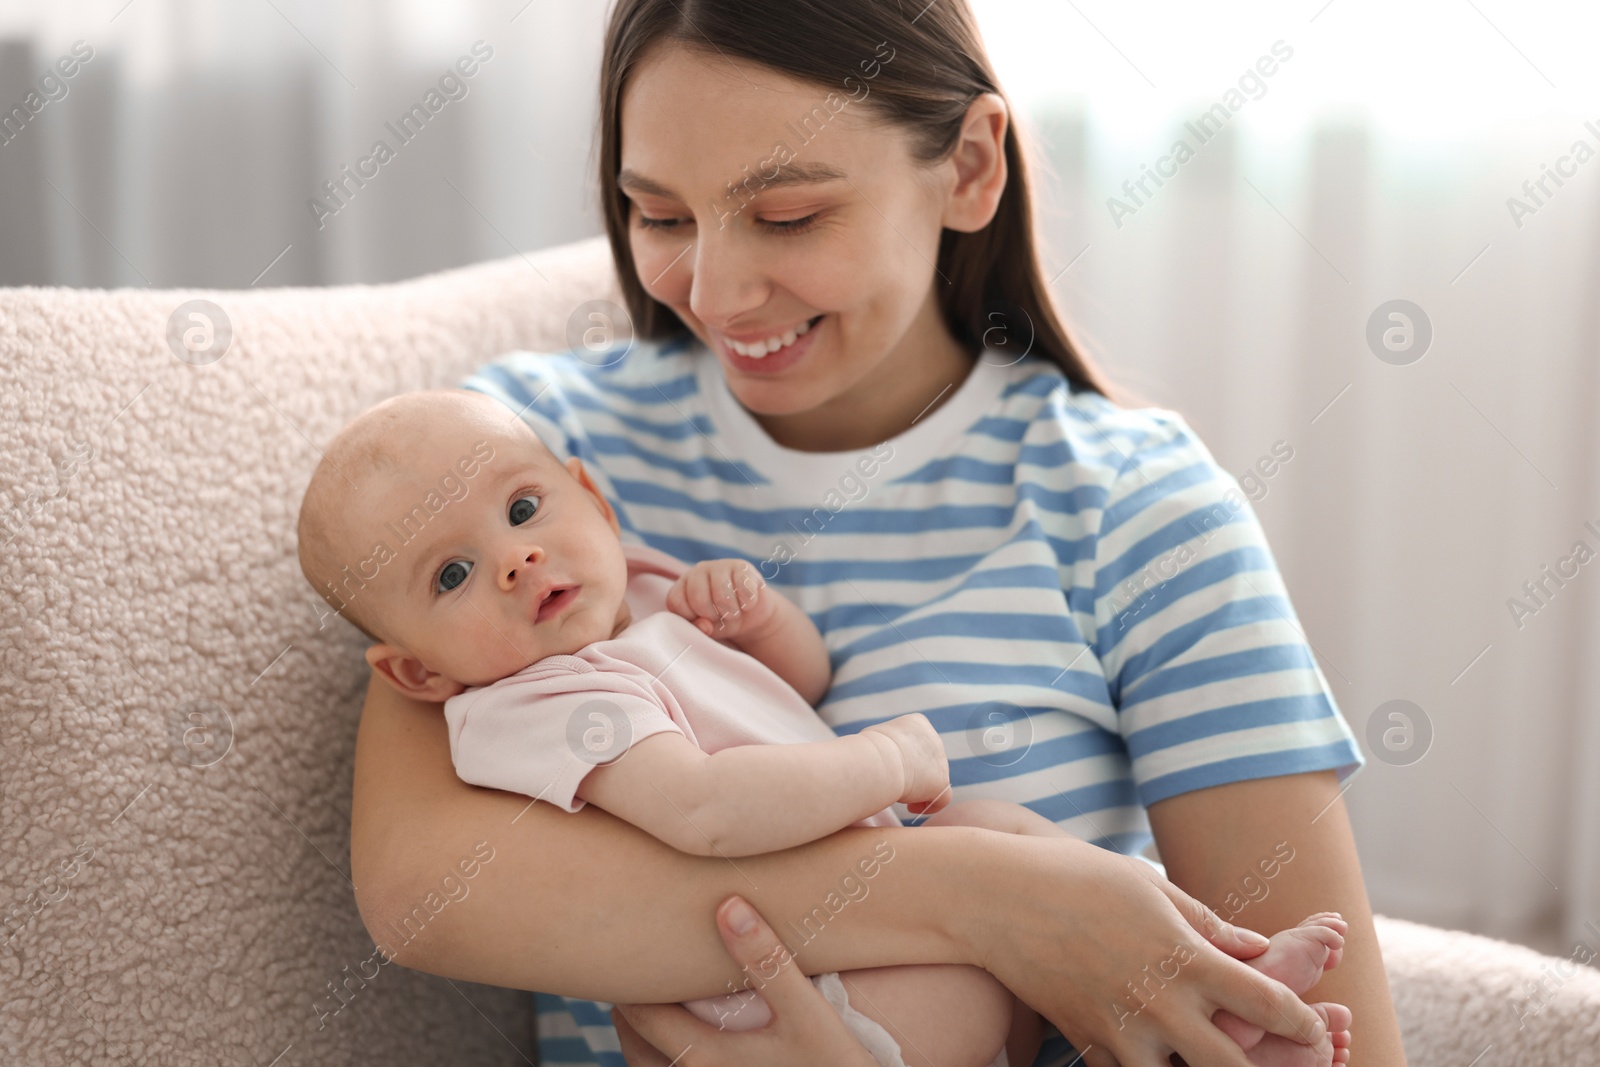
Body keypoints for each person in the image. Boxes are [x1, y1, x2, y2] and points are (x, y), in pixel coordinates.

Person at [345, 0, 1411, 1063]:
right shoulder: (515, 468)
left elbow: (1324, 1039)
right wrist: (997, 897)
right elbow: (424, 889)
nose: (713, 292)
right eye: (661, 216)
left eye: (790, 215)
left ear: (969, 168)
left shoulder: (1139, 509)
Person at [300, 392, 1355, 1067]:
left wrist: (756, 621)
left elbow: (794, 687)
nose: (514, 560)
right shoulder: (539, 703)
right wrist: (891, 756)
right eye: (450, 574)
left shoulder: (639, 602)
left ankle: (1223, 973)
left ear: (590, 498)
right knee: (972, 934)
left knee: (1005, 829)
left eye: (523, 512)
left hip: (855, 901)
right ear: (417, 672)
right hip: (792, 997)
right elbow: (707, 810)